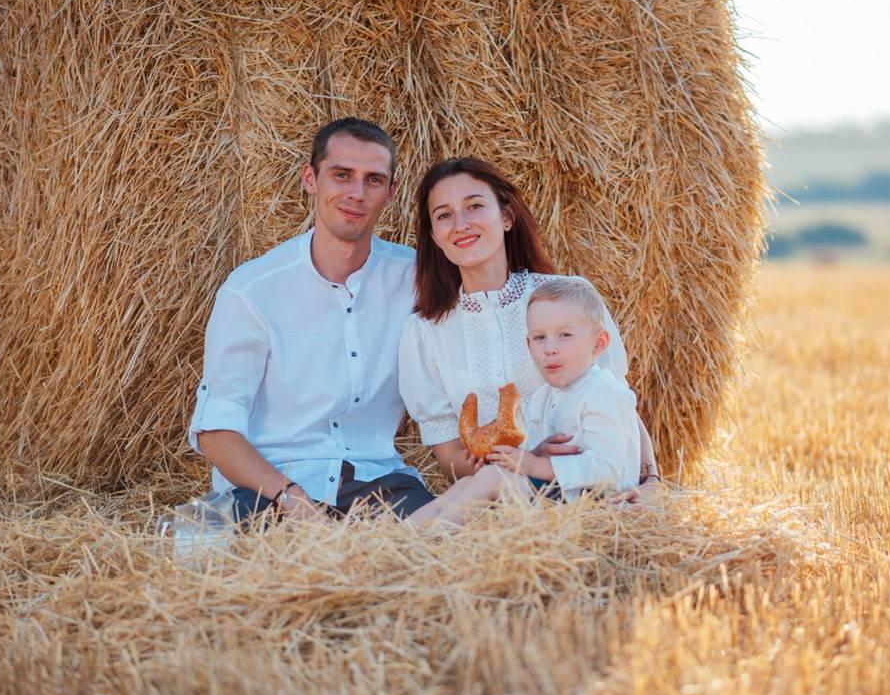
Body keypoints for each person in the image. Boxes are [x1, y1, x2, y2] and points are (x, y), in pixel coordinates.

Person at [188, 117, 435, 526]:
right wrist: (292, 498)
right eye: (341, 175)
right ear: (310, 179)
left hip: (379, 480)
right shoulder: (252, 290)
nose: (357, 193)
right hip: (270, 486)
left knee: (438, 552)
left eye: (374, 180)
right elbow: (216, 429)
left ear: (391, 193)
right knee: (224, 556)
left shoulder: (418, 279)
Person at [397, 156, 659, 489]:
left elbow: (617, 402)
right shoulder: (425, 332)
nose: (461, 224)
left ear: (506, 217)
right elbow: (449, 455)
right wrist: (526, 463)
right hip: (502, 500)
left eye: (474, 206)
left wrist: (652, 480)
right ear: (435, 236)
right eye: (444, 215)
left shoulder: (567, 298)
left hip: (594, 492)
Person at [410, 278, 642, 526]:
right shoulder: (544, 396)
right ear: (529, 346)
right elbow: (529, 457)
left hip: (599, 508)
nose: (550, 348)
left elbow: (607, 469)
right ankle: (394, 540)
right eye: (540, 337)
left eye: (564, 335)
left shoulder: (604, 392)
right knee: (471, 481)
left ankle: (433, 545)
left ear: (599, 343)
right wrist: (507, 456)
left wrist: (535, 465)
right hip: (560, 498)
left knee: (491, 479)